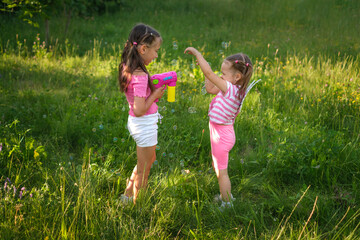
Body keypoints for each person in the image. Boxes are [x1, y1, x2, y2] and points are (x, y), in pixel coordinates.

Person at [184, 47, 256, 209]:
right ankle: (226, 196)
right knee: (219, 168)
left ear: (237, 76)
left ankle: (227, 203)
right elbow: (210, 88)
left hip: (222, 136)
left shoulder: (229, 88)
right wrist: (205, 70)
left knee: (221, 173)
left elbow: (210, 74)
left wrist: (199, 56)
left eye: (223, 74)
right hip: (222, 133)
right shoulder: (234, 89)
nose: (220, 76)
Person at [119, 23, 165, 204]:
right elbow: (139, 109)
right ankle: (139, 206)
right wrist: (154, 94)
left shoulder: (128, 65)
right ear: (143, 48)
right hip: (143, 124)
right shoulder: (140, 74)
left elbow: (134, 96)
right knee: (144, 169)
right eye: (156, 50)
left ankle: (127, 196)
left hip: (140, 124)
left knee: (147, 160)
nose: (156, 55)